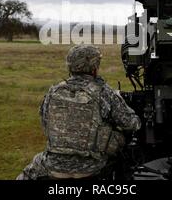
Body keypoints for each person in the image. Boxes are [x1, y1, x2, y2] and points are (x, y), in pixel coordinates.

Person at [17, 44, 141, 180]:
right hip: (92, 169)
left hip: (53, 167)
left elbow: (46, 125)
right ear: (94, 67)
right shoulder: (105, 92)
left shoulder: (53, 91)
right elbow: (132, 124)